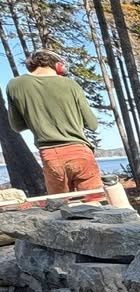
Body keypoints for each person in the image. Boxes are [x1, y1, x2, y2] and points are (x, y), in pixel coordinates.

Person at [5, 49, 103, 196]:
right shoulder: (71, 85)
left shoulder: (15, 85)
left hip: (50, 156)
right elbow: (92, 124)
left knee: (62, 207)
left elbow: (17, 126)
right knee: (95, 202)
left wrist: (38, 119)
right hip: (80, 152)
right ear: (58, 66)